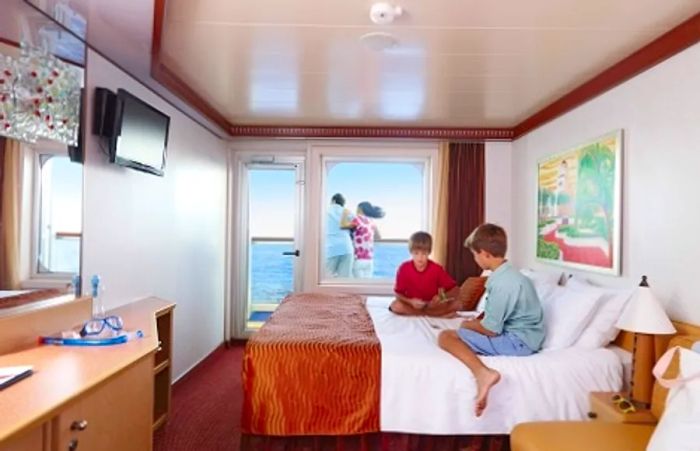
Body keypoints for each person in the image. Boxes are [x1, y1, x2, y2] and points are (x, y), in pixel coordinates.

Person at [437, 223, 544, 417]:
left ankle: (482, 374)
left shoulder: (504, 283)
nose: (475, 259)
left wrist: (466, 325)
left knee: (446, 336)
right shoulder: (510, 276)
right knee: (459, 330)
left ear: (485, 254)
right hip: (523, 337)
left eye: (475, 255)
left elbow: (491, 329)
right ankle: (482, 372)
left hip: (518, 343)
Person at [390, 231, 460, 317]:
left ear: (429, 252)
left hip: (432, 305)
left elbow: (456, 290)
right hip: (412, 305)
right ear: (411, 252)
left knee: (457, 304)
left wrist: (441, 297)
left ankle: (431, 313)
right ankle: (434, 315)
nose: (420, 258)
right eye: (416, 253)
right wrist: (410, 301)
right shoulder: (403, 268)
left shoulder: (436, 268)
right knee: (395, 305)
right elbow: (398, 294)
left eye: (424, 253)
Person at [341, 201, 384, 278]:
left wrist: (344, 213)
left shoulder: (357, 219)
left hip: (358, 259)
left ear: (360, 209)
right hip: (369, 260)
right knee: (367, 287)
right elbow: (378, 237)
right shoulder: (372, 221)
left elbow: (343, 226)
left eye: (357, 209)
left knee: (358, 287)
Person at [325, 193, 354, 278]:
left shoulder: (325, 211)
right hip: (347, 247)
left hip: (331, 248)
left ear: (333, 201)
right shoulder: (348, 212)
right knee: (344, 279)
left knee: (327, 278)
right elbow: (354, 228)